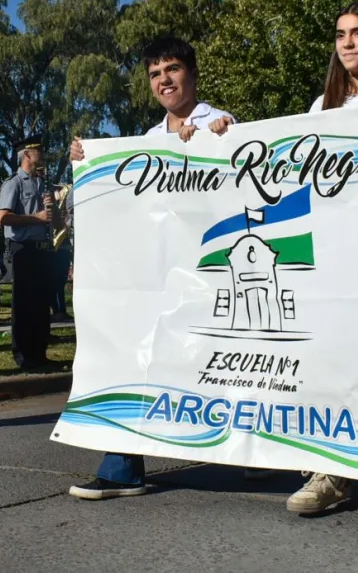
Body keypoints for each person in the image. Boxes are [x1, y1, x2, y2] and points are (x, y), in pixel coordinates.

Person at [207, 3, 358, 515]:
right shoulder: (324, 107)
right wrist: (229, 133)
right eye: (340, 34)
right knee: (336, 361)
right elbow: (284, 163)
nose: (347, 44)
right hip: (339, 257)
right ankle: (333, 473)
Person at [67, 37, 237, 500]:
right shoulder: (145, 141)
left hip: (209, 275)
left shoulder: (223, 123)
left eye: (173, 69)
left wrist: (220, 136)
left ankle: (255, 451)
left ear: (193, 74)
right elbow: (122, 212)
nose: (164, 80)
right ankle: (121, 467)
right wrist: (89, 162)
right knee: (133, 355)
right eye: (154, 74)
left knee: (223, 363)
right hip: (157, 276)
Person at [0, 136, 60, 370]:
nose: (42, 153)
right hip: (22, 250)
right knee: (24, 304)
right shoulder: (14, 183)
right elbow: (2, 217)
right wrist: (37, 217)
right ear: (27, 155)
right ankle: (24, 356)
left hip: (42, 248)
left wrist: (54, 215)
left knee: (41, 304)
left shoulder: (41, 183)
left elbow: (52, 219)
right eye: (38, 149)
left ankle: (40, 353)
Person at [50, 184, 73, 322]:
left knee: (60, 281)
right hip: (53, 245)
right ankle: (57, 310)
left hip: (63, 245)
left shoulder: (64, 203)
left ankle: (61, 310)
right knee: (55, 281)